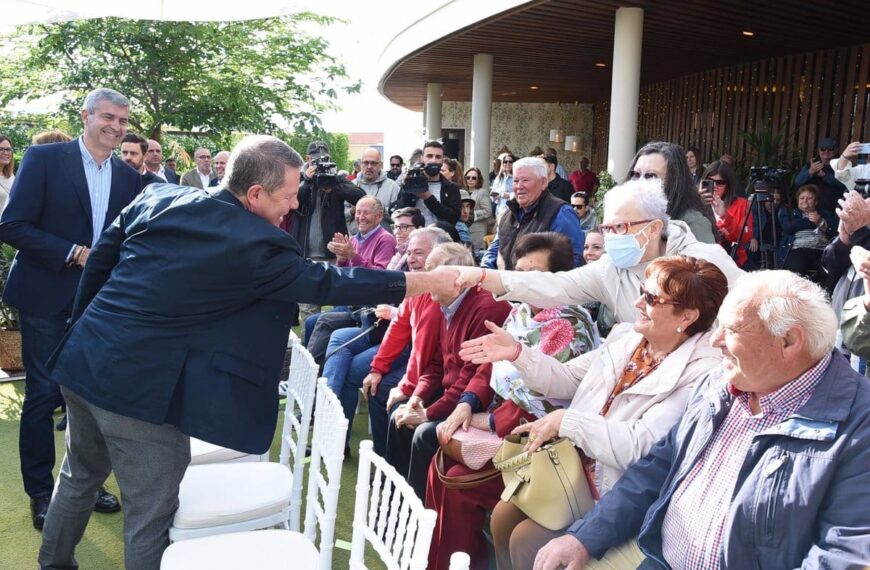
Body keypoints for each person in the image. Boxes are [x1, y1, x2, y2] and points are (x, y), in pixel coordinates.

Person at [36, 135, 460, 570]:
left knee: (77, 478)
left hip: (84, 360)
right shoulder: (257, 242)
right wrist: (425, 282)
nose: (295, 206)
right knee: (149, 517)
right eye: (290, 196)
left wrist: (81, 327)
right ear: (255, 194)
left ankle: (52, 564)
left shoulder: (159, 196)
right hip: (141, 394)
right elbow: (330, 284)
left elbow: (100, 263)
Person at [532, 270, 870, 570]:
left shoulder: (858, 424)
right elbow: (658, 466)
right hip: (659, 558)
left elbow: (845, 552)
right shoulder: (721, 385)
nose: (714, 340)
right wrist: (586, 536)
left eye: (732, 329)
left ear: (789, 340)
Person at [458, 255, 727, 570]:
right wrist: (518, 353)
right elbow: (568, 379)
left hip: (618, 490)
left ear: (688, 316)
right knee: (503, 517)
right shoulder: (629, 337)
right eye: (641, 291)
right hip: (573, 471)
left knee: (527, 542)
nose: (638, 302)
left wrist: (566, 421)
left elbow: (641, 445)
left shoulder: (702, 372)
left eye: (652, 298)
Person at [0, 88, 141, 531]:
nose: (116, 127)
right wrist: (74, 253)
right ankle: (41, 493)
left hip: (99, 302)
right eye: (108, 117)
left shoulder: (127, 176)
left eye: (122, 120)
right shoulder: (45, 160)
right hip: (44, 294)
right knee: (43, 395)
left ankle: (85, 482)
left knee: (89, 398)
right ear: (86, 116)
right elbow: (12, 225)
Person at [425, 232, 600, 570]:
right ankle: (437, 560)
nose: (524, 280)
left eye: (534, 273)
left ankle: (461, 564)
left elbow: (546, 400)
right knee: (440, 465)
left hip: (537, 441)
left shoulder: (569, 324)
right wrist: (468, 402)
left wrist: (488, 421)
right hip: (499, 427)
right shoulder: (520, 311)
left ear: (560, 279)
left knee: (459, 486)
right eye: (519, 271)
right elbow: (490, 360)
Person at [454, 179, 744, 326]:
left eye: (621, 227)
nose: (611, 238)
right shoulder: (610, 269)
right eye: (607, 228)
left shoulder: (706, 260)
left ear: (654, 228)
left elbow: (752, 305)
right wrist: (485, 276)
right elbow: (556, 285)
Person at [386, 243, 512, 499]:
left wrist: (428, 414)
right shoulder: (447, 303)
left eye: (433, 272)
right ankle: (395, 499)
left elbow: (472, 377)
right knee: (399, 414)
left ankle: (419, 514)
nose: (427, 278)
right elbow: (435, 364)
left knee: (423, 433)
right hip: (455, 394)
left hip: (478, 401)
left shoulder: (485, 308)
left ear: (457, 278)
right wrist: (417, 398)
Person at [324, 227, 453, 457]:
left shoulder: (438, 290)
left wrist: (405, 386)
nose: (412, 260)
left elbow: (423, 351)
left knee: (380, 388)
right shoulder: (418, 286)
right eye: (410, 253)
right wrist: (377, 369)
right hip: (418, 360)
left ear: (439, 256)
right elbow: (399, 328)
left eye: (419, 254)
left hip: (443, 373)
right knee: (340, 346)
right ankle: (334, 436)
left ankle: (388, 464)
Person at [481, 157, 586, 270]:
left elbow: (572, 261)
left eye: (525, 180)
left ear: (543, 182)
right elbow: (495, 249)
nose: (519, 186)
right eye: (515, 181)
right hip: (506, 285)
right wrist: (484, 273)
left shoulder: (560, 213)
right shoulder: (509, 213)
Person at [627, 141, 716, 244]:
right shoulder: (625, 216)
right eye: (636, 174)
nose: (639, 183)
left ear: (674, 181)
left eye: (651, 176)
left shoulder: (693, 225)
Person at [779, 184, 836, 281]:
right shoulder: (789, 212)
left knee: (830, 271)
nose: (805, 200)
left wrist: (820, 222)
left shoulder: (825, 214)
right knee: (796, 273)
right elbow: (789, 227)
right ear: (798, 201)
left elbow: (835, 231)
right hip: (798, 249)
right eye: (802, 198)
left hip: (821, 251)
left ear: (816, 202)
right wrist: (813, 222)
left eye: (809, 198)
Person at [396, 140, 461, 225]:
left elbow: (453, 218)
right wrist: (409, 189)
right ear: (422, 158)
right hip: (414, 235)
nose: (433, 160)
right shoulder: (411, 182)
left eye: (438, 157)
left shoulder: (451, 188)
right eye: (429, 156)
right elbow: (399, 213)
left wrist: (428, 197)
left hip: (440, 236)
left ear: (442, 160)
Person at [702, 160, 752, 268]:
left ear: (728, 185)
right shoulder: (695, 202)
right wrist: (696, 201)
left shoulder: (742, 204)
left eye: (720, 182)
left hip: (731, 262)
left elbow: (744, 238)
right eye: (709, 181)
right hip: (701, 261)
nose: (714, 186)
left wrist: (725, 217)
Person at [795, 136, 847, 212]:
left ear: (836, 150)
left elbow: (845, 183)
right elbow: (797, 182)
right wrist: (810, 172)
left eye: (830, 149)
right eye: (823, 149)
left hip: (831, 210)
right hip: (810, 207)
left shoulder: (841, 165)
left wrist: (825, 176)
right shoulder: (811, 164)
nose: (826, 152)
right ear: (819, 150)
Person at [355, 147, 401, 225]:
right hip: (354, 235)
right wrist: (352, 211)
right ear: (361, 164)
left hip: (383, 236)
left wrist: (378, 210)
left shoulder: (393, 187)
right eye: (366, 163)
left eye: (373, 163)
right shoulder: (351, 186)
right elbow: (342, 214)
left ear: (381, 165)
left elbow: (397, 216)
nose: (369, 167)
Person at [387, 207, 426, 271]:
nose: (396, 232)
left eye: (404, 227)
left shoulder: (421, 256)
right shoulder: (400, 251)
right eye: (395, 227)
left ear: (419, 229)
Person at [463, 166, 492, 251]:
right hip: (465, 230)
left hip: (477, 231)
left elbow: (488, 211)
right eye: (468, 177)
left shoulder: (482, 192)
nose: (470, 180)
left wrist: (472, 214)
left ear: (478, 179)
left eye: (474, 178)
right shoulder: (463, 191)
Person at [0, 134, 14, 212]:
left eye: (8, 149)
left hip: (10, 223)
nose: (5, 153)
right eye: (1, 149)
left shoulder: (11, 176)